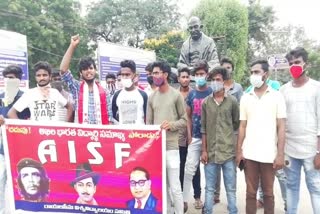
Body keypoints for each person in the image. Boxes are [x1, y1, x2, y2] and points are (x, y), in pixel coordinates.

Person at [236, 59, 286, 214]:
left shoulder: (277, 96)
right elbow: (242, 126)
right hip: (250, 154)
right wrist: (239, 151)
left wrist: (280, 154)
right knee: (250, 194)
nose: (253, 75)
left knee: (269, 194)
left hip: (269, 155)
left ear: (266, 74)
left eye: (256, 72)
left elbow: (281, 126)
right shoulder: (246, 97)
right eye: (251, 72)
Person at [280, 47, 320, 214]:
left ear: (306, 64)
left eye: (297, 62)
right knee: (291, 186)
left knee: (315, 187)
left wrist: (319, 151)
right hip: (290, 148)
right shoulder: (283, 90)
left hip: (311, 148)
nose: (293, 66)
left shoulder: (317, 88)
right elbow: (281, 121)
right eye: (290, 63)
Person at [146, 61, 187, 214]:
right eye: (153, 73)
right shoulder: (151, 97)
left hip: (172, 147)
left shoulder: (176, 95)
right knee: (163, 186)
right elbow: (148, 125)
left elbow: (184, 120)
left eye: (157, 73)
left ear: (166, 75)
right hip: (157, 149)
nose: (155, 76)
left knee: (175, 187)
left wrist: (171, 125)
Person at [201, 66, 239, 214]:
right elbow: (203, 128)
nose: (215, 82)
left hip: (228, 152)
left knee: (231, 188)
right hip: (210, 152)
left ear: (224, 82)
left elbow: (236, 124)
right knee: (210, 188)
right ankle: (208, 211)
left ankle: (233, 211)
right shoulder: (206, 102)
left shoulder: (233, 101)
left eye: (218, 80)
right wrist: (204, 150)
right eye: (213, 80)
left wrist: (236, 149)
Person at [59, 35, 113, 124]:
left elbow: (109, 119)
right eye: (85, 69)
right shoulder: (76, 88)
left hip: (101, 134)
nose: (88, 71)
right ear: (81, 73)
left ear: (95, 70)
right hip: (82, 134)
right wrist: (72, 46)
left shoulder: (105, 92)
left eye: (91, 68)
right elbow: (63, 70)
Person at [183, 60, 213, 211]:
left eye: (202, 73)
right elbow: (187, 116)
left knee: (210, 172)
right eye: (197, 74)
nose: (199, 76)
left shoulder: (212, 92)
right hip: (195, 137)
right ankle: (183, 199)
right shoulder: (191, 94)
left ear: (207, 74)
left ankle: (207, 202)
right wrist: (189, 135)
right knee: (190, 169)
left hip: (211, 138)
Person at [0, 65, 30, 213]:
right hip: (1, 148)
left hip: (19, 147)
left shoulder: (26, 98)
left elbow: (30, 122)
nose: (8, 81)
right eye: (6, 78)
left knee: (18, 183)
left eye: (11, 78)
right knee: (1, 180)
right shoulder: (0, 97)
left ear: (19, 80)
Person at [213, 57, 243, 204]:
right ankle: (216, 195)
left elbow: (239, 114)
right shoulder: (215, 87)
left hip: (232, 133)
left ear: (232, 70)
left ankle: (232, 197)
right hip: (218, 134)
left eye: (229, 67)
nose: (226, 69)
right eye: (224, 67)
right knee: (216, 164)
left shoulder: (238, 88)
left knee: (231, 167)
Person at [8, 62, 73, 122]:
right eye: (38, 75)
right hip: (35, 133)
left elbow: (69, 107)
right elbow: (11, 113)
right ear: (35, 77)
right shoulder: (30, 93)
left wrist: (65, 125)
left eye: (44, 75)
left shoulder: (55, 92)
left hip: (52, 132)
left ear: (50, 76)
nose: (42, 78)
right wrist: (22, 129)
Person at [177, 67, 202, 211]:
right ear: (178, 78)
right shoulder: (175, 94)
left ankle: (197, 197)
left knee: (195, 168)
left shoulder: (194, 93)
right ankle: (182, 199)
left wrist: (191, 135)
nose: (185, 79)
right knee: (181, 167)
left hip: (194, 136)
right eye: (183, 77)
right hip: (179, 136)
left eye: (187, 77)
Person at [112, 60, 148, 125]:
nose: (125, 77)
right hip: (123, 134)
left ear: (134, 75)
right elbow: (113, 115)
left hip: (139, 133)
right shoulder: (117, 95)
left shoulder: (143, 95)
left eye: (127, 75)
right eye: (122, 75)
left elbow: (147, 117)